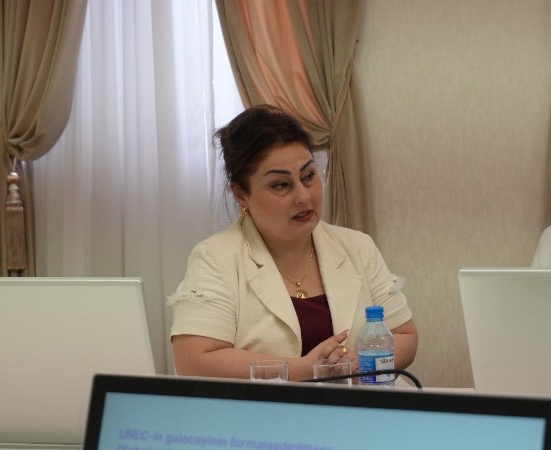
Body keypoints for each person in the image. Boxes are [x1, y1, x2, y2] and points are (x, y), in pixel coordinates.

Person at [168, 105, 418, 381]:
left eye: (308, 177)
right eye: (281, 185)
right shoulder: (216, 257)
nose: (304, 196)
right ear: (240, 193)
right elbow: (194, 359)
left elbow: (404, 334)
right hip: (269, 409)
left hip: (360, 404)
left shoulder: (357, 246)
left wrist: (359, 366)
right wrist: (305, 371)